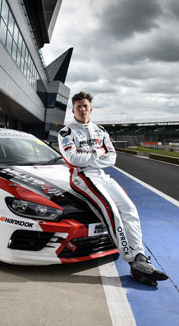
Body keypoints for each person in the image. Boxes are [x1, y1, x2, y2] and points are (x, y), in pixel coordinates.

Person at [58, 91, 168, 287]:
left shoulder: (101, 130)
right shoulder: (66, 132)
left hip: (102, 175)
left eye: (85, 106)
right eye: (78, 107)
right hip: (82, 177)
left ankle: (140, 255)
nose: (82, 109)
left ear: (90, 108)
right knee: (111, 210)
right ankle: (134, 261)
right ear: (73, 110)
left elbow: (112, 158)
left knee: (129, 209)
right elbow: (73, 160)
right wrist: (98, 151)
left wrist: (90, 155)